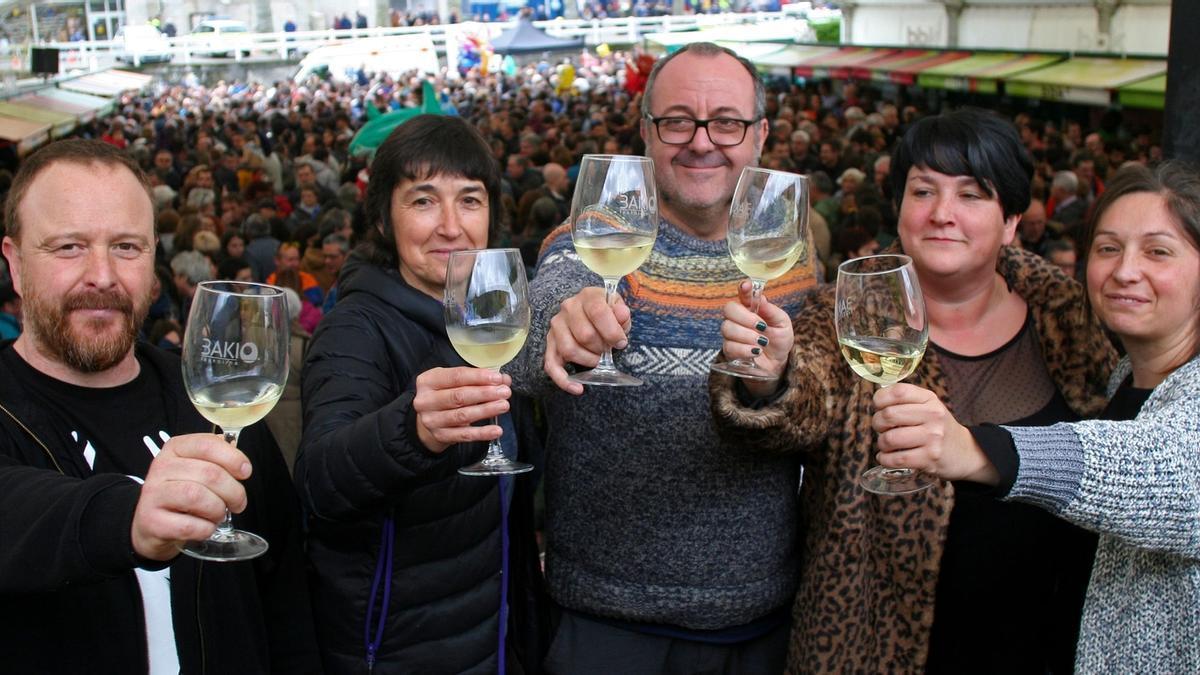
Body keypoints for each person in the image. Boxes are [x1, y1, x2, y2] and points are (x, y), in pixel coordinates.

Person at [709, 108, 1116, 673]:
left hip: (1047, 639)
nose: (943, 214)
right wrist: (769, 374)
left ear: (1012, 221)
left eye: (973, 195)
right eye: (923, 190)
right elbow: (802, 402)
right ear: (899, 206)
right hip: (872, 644)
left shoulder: (1067, 315)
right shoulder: (844, 314)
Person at [507, 42, 817, 673]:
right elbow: (532, 338)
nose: (702, 141)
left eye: (726, 121)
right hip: (608, 624)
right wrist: (562, 332)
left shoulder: (789, 255)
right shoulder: (593, 237)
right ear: (647, 132)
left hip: (762, 619)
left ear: (759, 135)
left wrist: (771, 386)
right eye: (678, 120)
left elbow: (812, 415)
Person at [0, 138, 318, 672]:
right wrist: (128, 516)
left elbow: (286, 605)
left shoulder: (217, 408)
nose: (101, 275)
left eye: (126, 247)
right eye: (68, 247)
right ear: (13, 263)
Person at [871, 161, 1200, 671]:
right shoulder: (1121, 381)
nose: (1125, 270)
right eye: (1108, 248)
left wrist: (980, 450)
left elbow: (1163, 468)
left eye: (1158, 251)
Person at [294, 114, 547, 673]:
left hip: (492, 635)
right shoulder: (355, 329)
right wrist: (410, 432)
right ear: (384, 219)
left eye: (471, 200)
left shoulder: (492, 317)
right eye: (424, 201)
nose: (451, 227)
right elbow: (319, 479)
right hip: (395, 648)